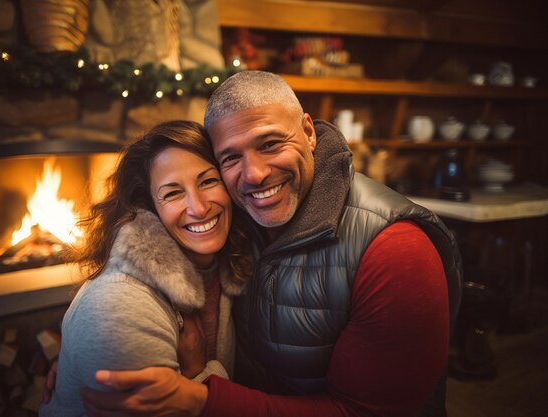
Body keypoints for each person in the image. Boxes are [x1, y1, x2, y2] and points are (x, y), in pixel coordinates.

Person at [79, 70, 464, 417]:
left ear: (309, 133)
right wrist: (88, 342)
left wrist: (203, 394)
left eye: (269, 144)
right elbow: (135, 268)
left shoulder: (395, 250)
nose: (255, 174)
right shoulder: (234, 218)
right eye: (230, 157)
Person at [39, 120, 252, 417]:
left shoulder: (232, 263)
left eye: (207, 181)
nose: (199, 208)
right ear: (148, 207)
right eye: (173, 193)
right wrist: (201, 376)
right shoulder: (121, 304)